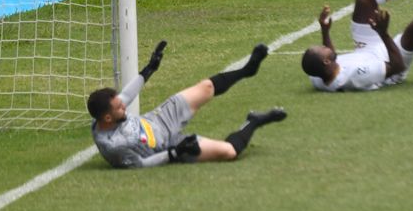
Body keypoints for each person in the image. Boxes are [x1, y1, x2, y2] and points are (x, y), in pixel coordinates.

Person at [88, 41, 287, 169]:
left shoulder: (108, 113)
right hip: (169, 146)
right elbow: (141, 164)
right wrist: (175, 152)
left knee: (206, 87)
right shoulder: (115, 146)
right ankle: (253, 122)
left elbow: (125, 95)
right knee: (229, 152)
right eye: (119, 108)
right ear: (107, 118)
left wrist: (149, 69)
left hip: (159, 118)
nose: (124, 105)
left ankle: (247, 70)